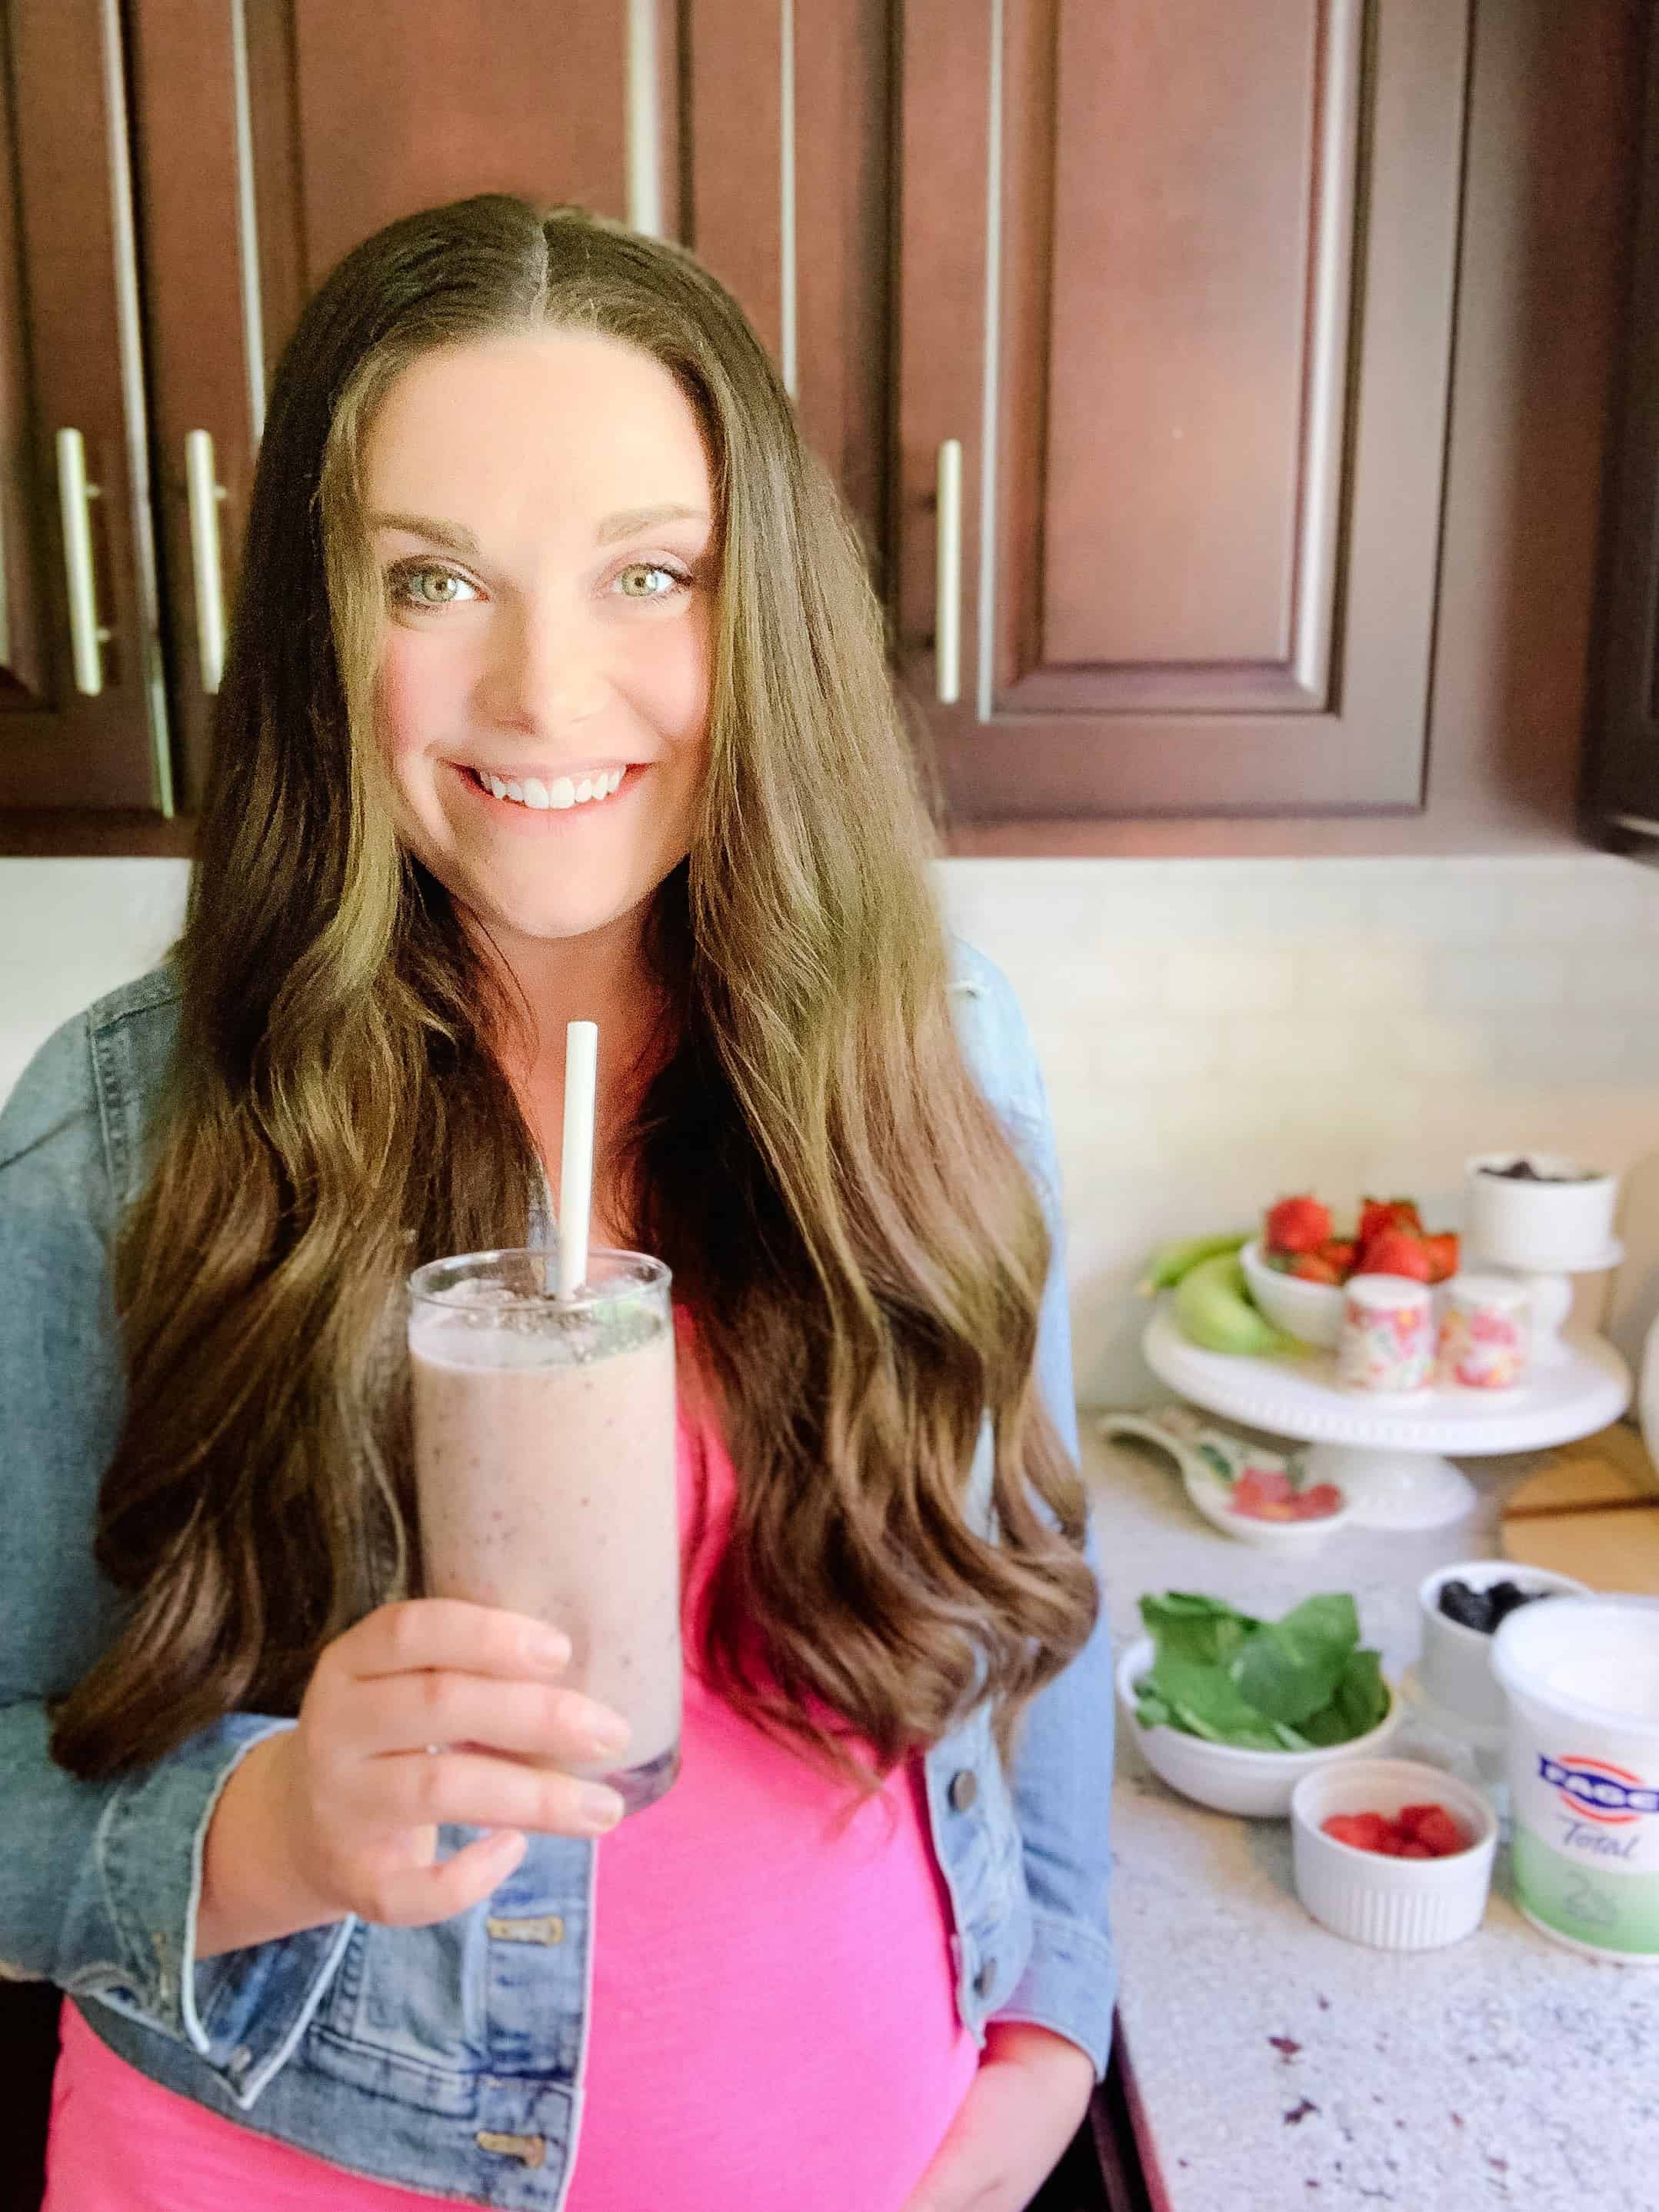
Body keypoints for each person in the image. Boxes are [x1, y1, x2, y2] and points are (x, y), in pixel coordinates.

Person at [0, 196, 1114, 2211]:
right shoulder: (120, 1132)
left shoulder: (940, 1053)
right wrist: (273, 1824)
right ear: (320, 627)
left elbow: (1029, 1588)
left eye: (649, 573)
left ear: (755, 596)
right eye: (433, 577)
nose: (543, 690)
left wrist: (1039, 2049)